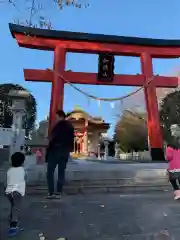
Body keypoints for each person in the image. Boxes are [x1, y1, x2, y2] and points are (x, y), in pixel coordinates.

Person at [46, 110, 74, 199]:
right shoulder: (70, 126)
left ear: (59, 116)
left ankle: (51, 192)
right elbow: (71, 140)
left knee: (50, 171)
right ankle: (58, 192)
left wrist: (49, 147)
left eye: (56, 117)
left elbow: (53, 138)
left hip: (55, 151)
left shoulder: (58, 126)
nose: (56, 119)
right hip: (65, 152)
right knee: (61, 172)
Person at [5, 152, 26, 237]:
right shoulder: (22, 170)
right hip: (18, 192)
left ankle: (11, 220)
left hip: (9, 192)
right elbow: (25, 179)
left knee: (13, 206)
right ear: (22, 162)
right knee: (16, 208)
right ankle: (13, 227)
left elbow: (6, 182)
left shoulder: (9, 170)